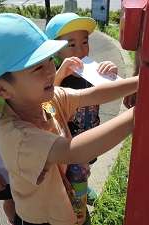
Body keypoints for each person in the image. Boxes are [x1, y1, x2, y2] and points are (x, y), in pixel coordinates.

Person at [0, 13, 138, 225]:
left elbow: (94, 94)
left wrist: (143, 81)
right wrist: (139, 114)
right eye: (37, 67)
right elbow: (74, 150)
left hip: (68, 199)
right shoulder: (15, 134)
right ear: (0, 88)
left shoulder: (47, 99)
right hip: (44, 218)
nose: (51, 70)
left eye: (49, 60)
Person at [45, 13, 119, 205]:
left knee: (86, 166)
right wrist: (60, 75)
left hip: (90, 132)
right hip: (68, 142)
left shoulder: (91, 69)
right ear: (55, 50)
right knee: (68, 172)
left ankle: (84, 186)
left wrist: (111, 75)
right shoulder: (51, 75)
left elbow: (106, 91)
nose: (80, 50)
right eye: (71, 45)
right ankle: (69, 195)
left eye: (84, 42)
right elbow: (45, 101)